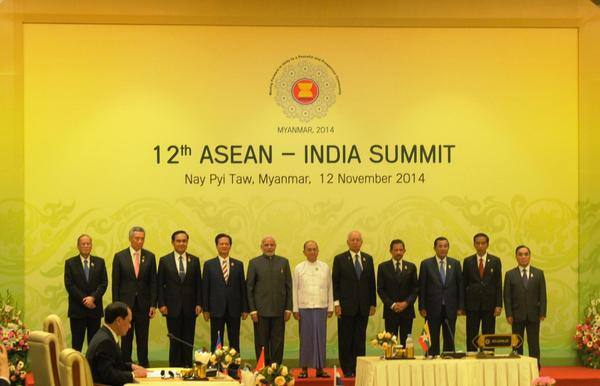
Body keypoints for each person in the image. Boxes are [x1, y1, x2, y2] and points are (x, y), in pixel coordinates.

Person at [332, 231, 376, 377]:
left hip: (363, 307)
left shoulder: (368, 259)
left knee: (359, 338)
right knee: (346, 339)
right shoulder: (339, 259)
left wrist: (372, 304)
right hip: (345, 307)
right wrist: (336, 304)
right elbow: (335, 283)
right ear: (348, 242)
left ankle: (359, 367)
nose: (355, 242)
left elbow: (371, 283)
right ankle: (347, 368)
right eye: (353, 240)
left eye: (358, 240)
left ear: (361, 242)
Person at [111, 226, 157, 367]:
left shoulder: (150, 256)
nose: (140, 241)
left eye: (142, 238)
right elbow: (116, 284)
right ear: (130, 239)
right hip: (126, 306)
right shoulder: (120, 256)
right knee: (126, 339)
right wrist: (117, 307)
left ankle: (144, 366)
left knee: (143, 339)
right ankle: (125, 365)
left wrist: (153, 304)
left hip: (144, 305)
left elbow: (153, 282)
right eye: (137, 238)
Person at [157, 230, 202, 367]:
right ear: (173, 242)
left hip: (190, 307)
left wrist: (199, 303)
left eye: (184, 241)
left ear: (187, 242)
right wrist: (161, 304)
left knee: (188, 340)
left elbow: (198, 285)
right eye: (178, 241)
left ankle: (188, 367)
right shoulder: (165, 260)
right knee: (175, 340)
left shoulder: (194, 260)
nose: (181, 243)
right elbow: (160, 284)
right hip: (171, 308)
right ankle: (175, 368)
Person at [247, 236, 293, 366]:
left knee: (278, 343)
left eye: (272, 245)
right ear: (261, 247)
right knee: (261, 343)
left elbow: (288, 286)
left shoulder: (283, 262)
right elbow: (249, 288)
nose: (269, 247)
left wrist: (288, 308)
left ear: (275, 246)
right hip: (260, 312)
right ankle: (263, 368)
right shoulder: (254, 263)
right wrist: (253, 310)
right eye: (266, 245)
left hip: (279, 311)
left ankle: (276, 369)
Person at [292, 240, 334, 379]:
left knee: (320, 339)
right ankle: (304, 368)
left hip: (321, 307)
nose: (312, 252)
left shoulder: (325, 267)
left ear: (318, 251)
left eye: (314, 249)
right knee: (306, 339)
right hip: (305, 308)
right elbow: (294, 289)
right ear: (304, 252)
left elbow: (329, 288)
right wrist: (295, 309)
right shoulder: (299, 268)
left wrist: (331, 306)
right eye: (309, 249)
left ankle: (320, 369)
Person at [418, 236, 464, 356]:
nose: (443, 249)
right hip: (431, 307)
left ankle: (448, 357)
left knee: (449, 335)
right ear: (435, 248)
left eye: (445, 246)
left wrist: (460, 306)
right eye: (440, 246)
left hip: (450, 307)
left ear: (448, 248)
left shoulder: (455, 264)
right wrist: (422, 306)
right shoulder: (426, 264)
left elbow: (460, 287)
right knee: (431, 336)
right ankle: (431, 357)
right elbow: (421, 287)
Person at [202, 233, 248, 353]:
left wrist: (244, 309)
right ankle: (217, 367)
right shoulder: (209, 265)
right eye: (221, 244)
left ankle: (233, 368)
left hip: (234, 309)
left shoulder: (238, 264)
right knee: (217, 341)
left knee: (234, 341)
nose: (224, 246)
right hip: (216, 309)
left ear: (230, 246)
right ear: (217, 246)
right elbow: (205, 288)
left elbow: (242, 288)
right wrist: (205, 309)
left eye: (226, 244)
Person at [504, 245, 547, 368]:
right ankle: (518, 368)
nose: (523, 257)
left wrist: (542, 311)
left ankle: (535, 368)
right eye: (520, 254)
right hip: (517, 315)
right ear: (516, 257)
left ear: (529, 256)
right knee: (517, 344)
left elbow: (542, 294)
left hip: (534, 314)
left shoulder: (538, 273)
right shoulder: (510, 274)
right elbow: (507, 297)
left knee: (534, 343)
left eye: (526, 254)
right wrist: (509, 314)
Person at [64, 234, 108, 351]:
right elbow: (70, 285)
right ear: (78, 246)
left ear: (91, 246)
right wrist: (85, 299)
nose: (86, 246)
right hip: (77, 311)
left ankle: (92, 368)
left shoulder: (100, 262)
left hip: (94, 309)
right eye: (83, 244)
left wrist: (93, 298)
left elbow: (103, 283)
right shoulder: (70, 263)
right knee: (77, 344)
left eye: (88, 243)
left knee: (94, 345)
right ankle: (76, 368)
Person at [86, 302, 147, 386]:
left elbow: (114, 364)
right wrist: (133, 375)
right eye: (129, 321)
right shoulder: (105, 342)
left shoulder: (106, 334)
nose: (130, 326)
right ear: (118, 321)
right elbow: (109, 376)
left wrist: (132, 366)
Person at [463, 233, 502, 352]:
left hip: (489, 305)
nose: (480, 246)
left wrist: (499, 305)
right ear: (474, 244)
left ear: (487, 244)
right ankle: (471, 359)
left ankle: (489, 359)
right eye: (478, 243)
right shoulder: (467, 261)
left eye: (483, 243)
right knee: (472, 335)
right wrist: (463, 305)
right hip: (472, 305)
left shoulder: (495, 261)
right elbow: (464, 284)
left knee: (489, 336)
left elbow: (498, 284)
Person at [376, 239, 419, 347]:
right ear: (391, 251)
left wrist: (406, 303)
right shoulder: (383, 267)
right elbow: (380, 289)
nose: (398, 252)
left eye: (401, 250)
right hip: (390, 311)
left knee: (406, 343)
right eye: (396, 250)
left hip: (407, 311)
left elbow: (415, 289)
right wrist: (392, 304)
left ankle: (405, 364)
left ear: (404, 251)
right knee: (390, 344)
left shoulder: (411, 267)